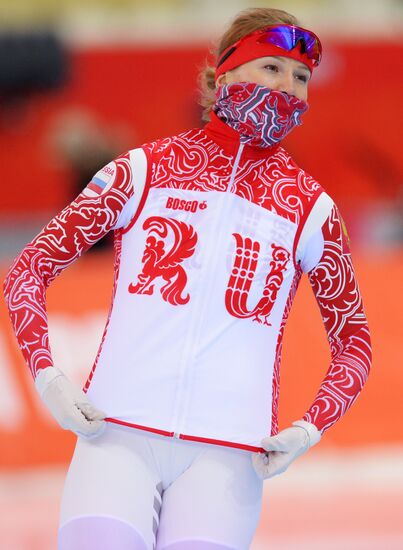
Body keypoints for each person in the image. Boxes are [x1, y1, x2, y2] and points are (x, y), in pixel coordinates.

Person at [3, 7, 372, 550]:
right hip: (116, 436)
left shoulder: (310, 210)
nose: (288, 88)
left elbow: (355, 342)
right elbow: (29, 270)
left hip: (228, 458)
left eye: (300, 78)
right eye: (271, 68)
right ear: (225, 75)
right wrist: (48, 377)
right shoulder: (143, 171)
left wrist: (309, 427)